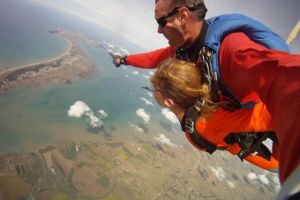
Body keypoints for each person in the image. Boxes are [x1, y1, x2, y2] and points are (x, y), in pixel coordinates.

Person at [110, 0, 299, 184]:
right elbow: (153, 58)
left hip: (270, 124)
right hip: (240, 128)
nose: (158, 30)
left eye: (161, 21)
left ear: (182, 16)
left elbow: (282, 77)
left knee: (277, 164)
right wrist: (124, 60)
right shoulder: (182, 50)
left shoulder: (231, 50)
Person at [149, 58, 279, 171]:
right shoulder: (204, 103)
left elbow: (270, 114)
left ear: (169, 102)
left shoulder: (207, 123)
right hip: (251, 132)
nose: (153, 90)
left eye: (155, 89)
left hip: (272, 129)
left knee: (278, 167)